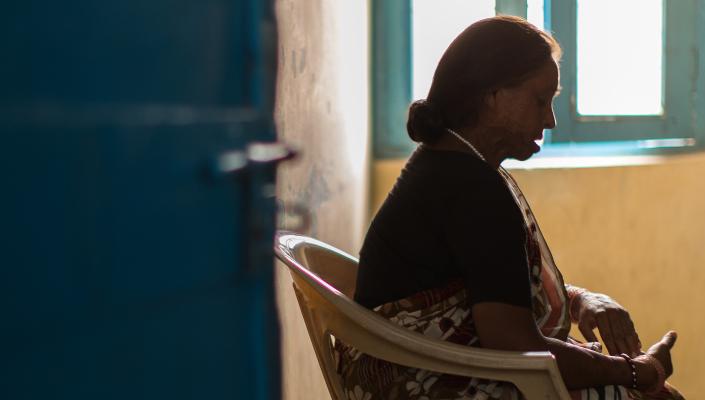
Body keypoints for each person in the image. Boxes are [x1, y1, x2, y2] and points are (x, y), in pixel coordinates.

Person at [336, 15, 684, 400]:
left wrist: (579, 298)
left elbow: (492, 286)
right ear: (492, 96)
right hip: (417, 382)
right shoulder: (472, 188)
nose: (550, 120)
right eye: (540, 100)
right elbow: (517, 346)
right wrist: (636, 372)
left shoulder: (448, 165)